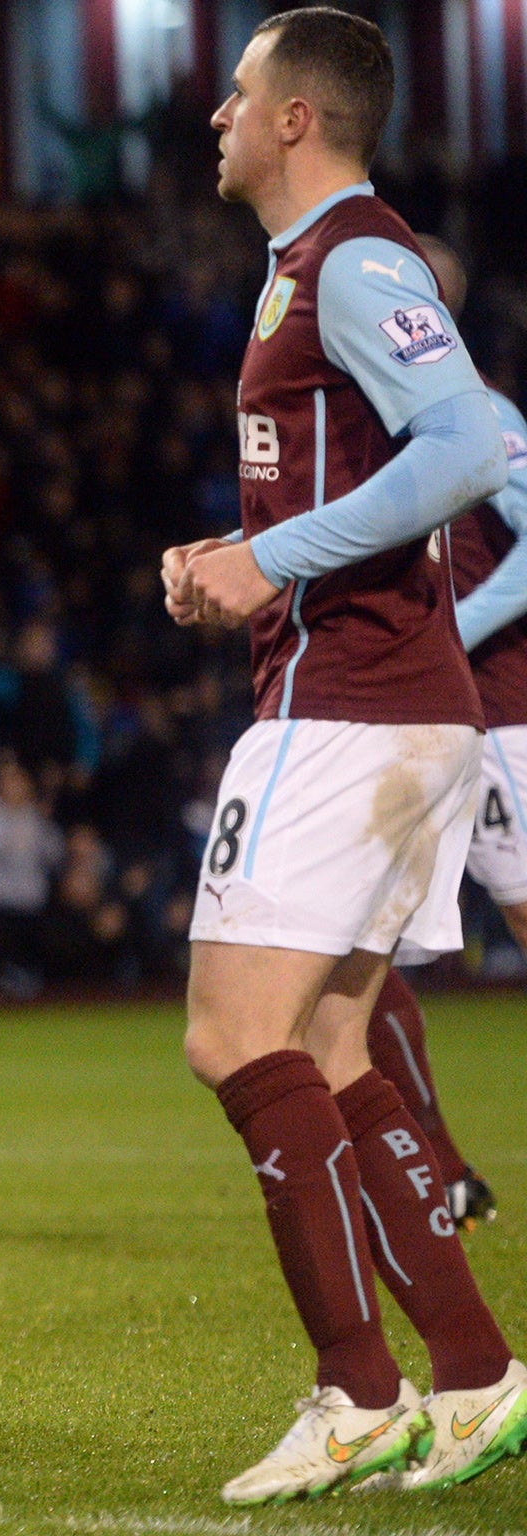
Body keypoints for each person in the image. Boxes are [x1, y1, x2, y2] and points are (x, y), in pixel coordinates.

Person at [164, 9, 524, 1501]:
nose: (217, 120)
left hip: (355, 706)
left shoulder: (361, 259)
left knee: (230, 1038)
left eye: (237, 97)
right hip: (377, 703)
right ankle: (474, 1371)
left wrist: (271, 559)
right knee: (327, 1047)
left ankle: (353, 1388)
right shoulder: (307, 273)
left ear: (297, 119)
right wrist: (236, 560)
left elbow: (468, 444)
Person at [362, 236, 526, 1234]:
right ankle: (442, 1166)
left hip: (498, 713)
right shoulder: (373, 422)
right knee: (350, 945)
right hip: (404, 719)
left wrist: (444, 631)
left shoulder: (482, 416)